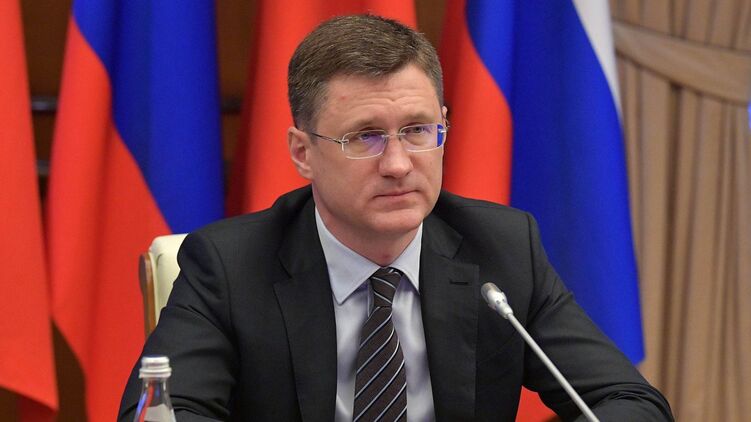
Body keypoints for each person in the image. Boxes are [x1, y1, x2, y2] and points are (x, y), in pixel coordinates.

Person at [119, 14, 673, 421]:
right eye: (365, 137)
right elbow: (164, 411)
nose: (399, 164)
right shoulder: (230, 265)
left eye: (417, 130)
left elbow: (630, 401)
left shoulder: (502, 249)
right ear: (302, 153)